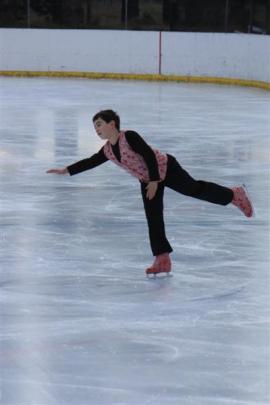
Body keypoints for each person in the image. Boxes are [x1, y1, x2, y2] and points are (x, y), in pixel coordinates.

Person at [47, 109, 254, 276]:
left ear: (112, 124)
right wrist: (67, 170)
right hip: (148, 180)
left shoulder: (129, 136)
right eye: (95, 127)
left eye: (99, 124)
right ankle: (162, 259)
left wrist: (155, 180)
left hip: (165, 168)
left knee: (194, 189)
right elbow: (91, 161)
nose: (97, 129)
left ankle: (234, 195)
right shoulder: (108, 150)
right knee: (153, 217)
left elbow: (147, 155)